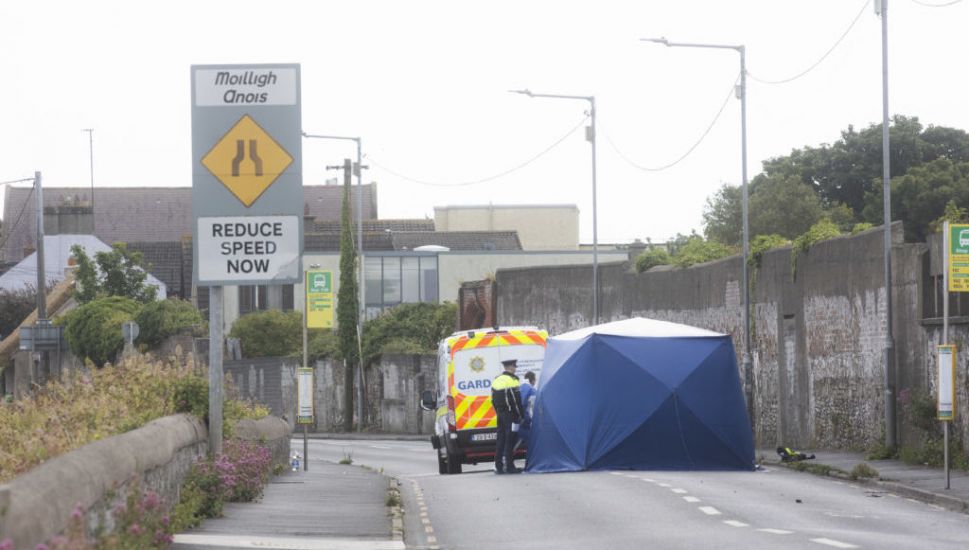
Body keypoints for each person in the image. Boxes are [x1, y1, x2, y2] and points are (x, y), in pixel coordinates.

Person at [492, 358, 524, 474]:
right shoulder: (512, 381)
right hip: (511, 415)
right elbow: (516, 401)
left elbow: (493, 401)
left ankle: (498, 466)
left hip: (500, 414)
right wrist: (521, 415)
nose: (515, 369)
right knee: (510, 439)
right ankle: (510, 466)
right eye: (515, 367)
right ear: (510, 367)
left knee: (501, 439)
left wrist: (499, 413)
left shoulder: (496, 380)